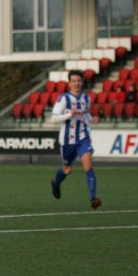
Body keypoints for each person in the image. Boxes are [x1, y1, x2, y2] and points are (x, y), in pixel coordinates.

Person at [49, 69, 101, 210]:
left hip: (83, 137)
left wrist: (93, 119)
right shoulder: (64, 99)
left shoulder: (86, 98)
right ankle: (56, 183)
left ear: (82, 82)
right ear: (69, 83)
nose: (76, 83)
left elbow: (86, 115)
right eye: (74, 81)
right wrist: (68, 114)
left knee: (88, 166)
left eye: (79, 81)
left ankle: (93, 199)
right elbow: (53, 117)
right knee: (67, 169)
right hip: (67, 141)